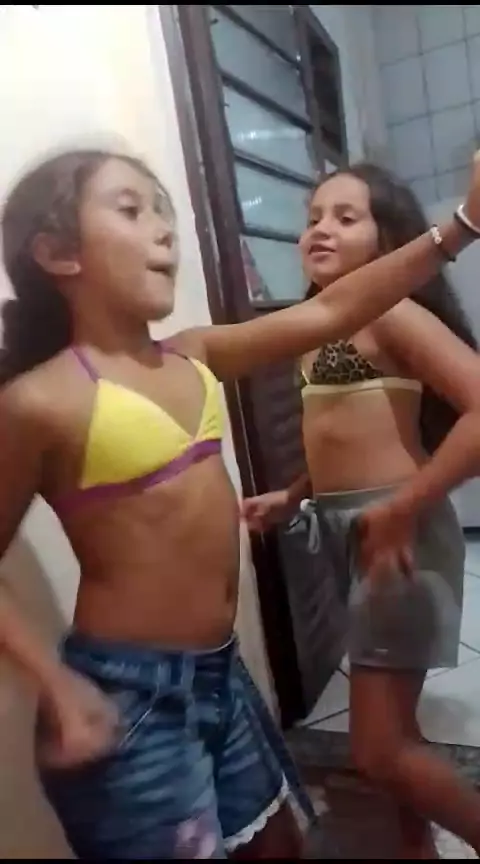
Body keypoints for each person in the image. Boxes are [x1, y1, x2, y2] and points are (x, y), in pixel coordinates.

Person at [0, 149, 479, 860]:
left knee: (283, 845)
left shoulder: (193, 354)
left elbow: (336, 307)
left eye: (163, 210)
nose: (164, 228)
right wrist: (57, 685)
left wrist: (463, 225)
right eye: (132, 210)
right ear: (57, 252)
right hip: (131, 695)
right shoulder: (38, 401)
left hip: (220, 673)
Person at [242, 162, 480, 858]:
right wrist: (293, 494)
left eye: (346, 218)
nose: (321, 229)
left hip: (397, 532)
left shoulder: (390, 311)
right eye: (313, 216)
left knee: (377, 749)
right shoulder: (317, 328)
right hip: (353, 530)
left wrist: (405, 507)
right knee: (394, 730)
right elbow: (344, 432)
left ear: (388, 241)